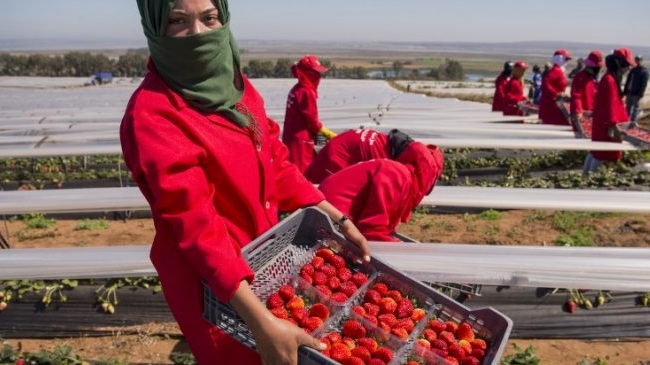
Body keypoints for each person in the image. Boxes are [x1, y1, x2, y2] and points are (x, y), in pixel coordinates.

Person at [120, 1, 370, 365]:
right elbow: (197, 228)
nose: (198, 34)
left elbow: (276, 161)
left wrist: (339, 219)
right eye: (177, 21)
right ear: (154, 26)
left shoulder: (237, 87)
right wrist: (261, 321)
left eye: (209, 18)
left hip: (264, 260)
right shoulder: (153, 115)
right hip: (215, 288)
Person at [318, 142, 444, 242]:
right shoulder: (398, 176)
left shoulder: (397, 171)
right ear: (428, 177)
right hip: (330, 220)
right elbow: (371, 229)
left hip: (332, 214)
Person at [281, 54, 337, 173]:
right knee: (301, 172)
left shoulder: (297, 89)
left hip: (291, 137)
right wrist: (328, 133)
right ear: (308, 73)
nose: (318, 76)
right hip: (300, 141)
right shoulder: (306, 92)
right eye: (315, 72)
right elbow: (312, 121)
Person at [584, 48, 636, 173]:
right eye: (627, 65)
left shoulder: (608, 78)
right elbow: (610, 106)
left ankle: (586, 175)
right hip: (607, 128)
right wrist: (615, 128)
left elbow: (603, 103)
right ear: (620, 64)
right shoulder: (610, 81)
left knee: (597, 152)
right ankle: (591, 181)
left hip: (603, 123)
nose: (628, 69)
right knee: (603, 154)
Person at [304, 128, 413, 184]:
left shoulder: (384, 141)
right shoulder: (382, 155)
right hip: (335, 158)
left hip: (340, 147)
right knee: (323, 194)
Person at [570, 50, 603, 137]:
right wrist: (578, 112)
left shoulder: (593, 79)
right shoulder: (580, 77)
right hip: (582, 116)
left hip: (591, 115)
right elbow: (576, 96)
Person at [539, 49, 572, 125]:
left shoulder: (558, 71)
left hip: (556, 104)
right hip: (552, 105)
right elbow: (546, 83)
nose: (566, 62)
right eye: (565, 59)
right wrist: (557, 94)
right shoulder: (556, 71)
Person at [624, 55, 649, 124]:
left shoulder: (644, 71)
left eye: (639, 60)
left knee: (635, 108)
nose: (637, 61)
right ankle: (626, 120)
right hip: (630, 91)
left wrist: (641, 93)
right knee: (627, 107)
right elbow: (628, 80)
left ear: (641, 61)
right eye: (636, 60)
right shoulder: (633, 70)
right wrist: (625, 90)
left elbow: (644, 84)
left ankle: (632, 122)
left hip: (636, 93)